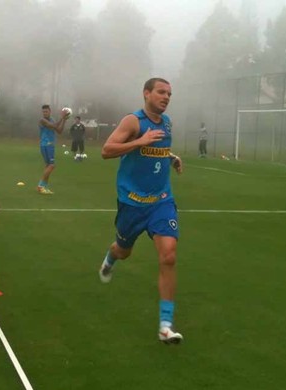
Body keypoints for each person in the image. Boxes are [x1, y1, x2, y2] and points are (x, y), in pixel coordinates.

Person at [98, 77, 184, 344]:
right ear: (146, 94)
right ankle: (111, 258)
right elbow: (107, 150)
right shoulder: (132, 122)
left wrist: (171, 157)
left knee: (168, 256)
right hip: (132, 203)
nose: (166, 97)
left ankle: (165, 326)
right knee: (124, 251)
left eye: (169, 93)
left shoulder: (167, 123)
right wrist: (139, 141)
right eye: (161, 92)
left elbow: (156, 148)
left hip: (161, 201)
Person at [37, 104, 69, 194]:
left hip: (50, 145)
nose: (44, 113)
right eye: (43, 112)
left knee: (48, 166)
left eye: (46, 111)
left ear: (50, 111)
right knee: (51, 165)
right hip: (46, 144)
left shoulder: (52, 120)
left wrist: (64, 120)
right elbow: (53, 126)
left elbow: (59, 131)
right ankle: (40, 185)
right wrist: (62, 118)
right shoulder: (42, 120)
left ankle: (45, 187)